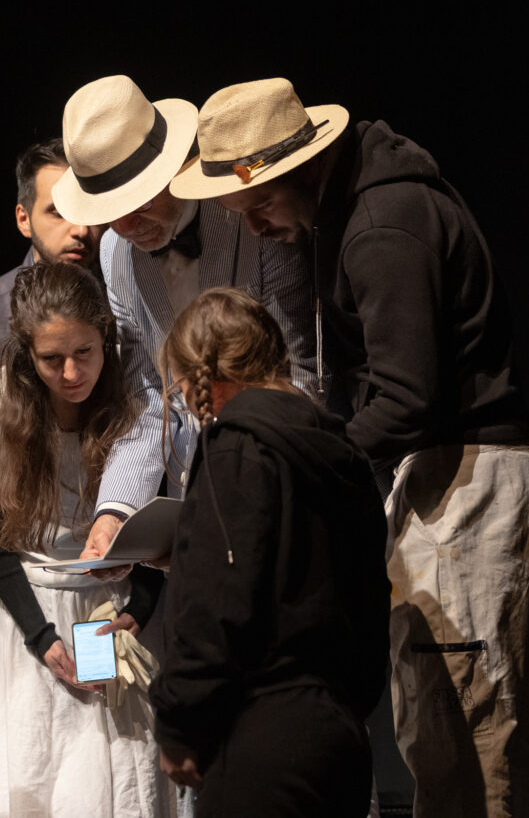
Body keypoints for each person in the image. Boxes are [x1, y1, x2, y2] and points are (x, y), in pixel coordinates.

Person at [170, 78, 529, 817]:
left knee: (469, 736)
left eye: (260, 208)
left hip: (469, 474)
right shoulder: (359, 209)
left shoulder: (381, 225)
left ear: (293, 169)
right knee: (457, 733)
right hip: (450, 472)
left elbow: (408, 399)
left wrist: (308, 468)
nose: (256, 229)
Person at [48, 75, 314, 559]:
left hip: (286, 481)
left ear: (169, 168)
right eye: (112, 212)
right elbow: (153, 394)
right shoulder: (114, 255)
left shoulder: (246, 214)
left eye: (139, 203)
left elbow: (301, 366)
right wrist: (116, 512)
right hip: (204, 503)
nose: (126, 227)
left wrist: (269, 479)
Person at [149, 287, 390, 816]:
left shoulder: (236, 444)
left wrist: (178, 724)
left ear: (197, 381)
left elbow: (217, 603)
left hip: (263, 742)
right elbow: (373, 600)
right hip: (342, 743)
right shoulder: (341, 452)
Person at [0, 262, 174, 817]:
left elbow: (159, 525)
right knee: (28, 782)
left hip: (110, 610)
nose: (72, 372)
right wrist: (41, 637)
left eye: (86, 353)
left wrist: (138, 611)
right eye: (52, 359)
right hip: (24, 614)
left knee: (115, 790)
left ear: (107, 338)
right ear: (27, 353)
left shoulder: (134, 405)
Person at [0, 137, 105, 379]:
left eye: (89, 211)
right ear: (24, 220)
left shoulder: (126, 298)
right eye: (59, 213)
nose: (81, 229)